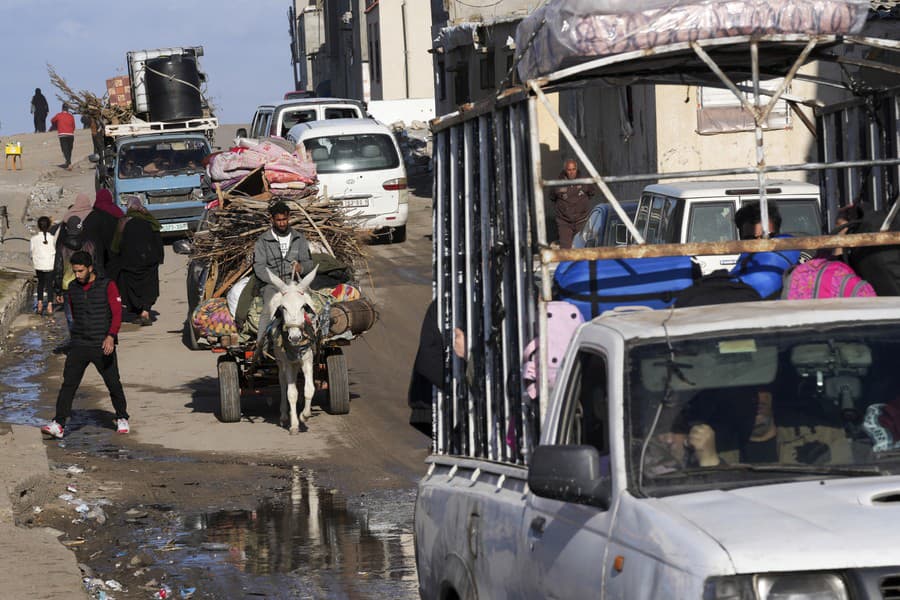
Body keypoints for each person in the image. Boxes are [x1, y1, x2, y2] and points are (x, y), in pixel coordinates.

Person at [41, 251, 129, 440]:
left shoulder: (108, 286)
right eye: (75, 272)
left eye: (81, 271)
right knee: (68, 385)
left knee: (112, 382)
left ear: (90, 268)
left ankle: (122, 416)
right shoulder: (72, 288)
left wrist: (111, 336)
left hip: (102, 344)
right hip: (79, 344)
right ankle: (59, 423)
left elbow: (116, 314)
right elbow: (72, 314)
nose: (78, 275)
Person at [253, 201, 314, 352]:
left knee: (312, 306)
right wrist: (277, 283)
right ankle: (261, 345)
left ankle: (316, 340)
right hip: (274, 286)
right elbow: (259, 267)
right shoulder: (263, 241)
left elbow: (308, 262)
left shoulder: (299, 238)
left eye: (284, 220)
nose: (282, 223)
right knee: (268, 309)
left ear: (289, 218)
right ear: (272, 220)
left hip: (295, 284)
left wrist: (301, 267)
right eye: (278, 220)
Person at [729, 201, 801, 298]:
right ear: (741, 239)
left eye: (767, 237)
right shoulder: (738, 271)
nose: (760, 244)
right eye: (750, 239)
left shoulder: (788, 257)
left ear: (778, 234)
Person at [112, 196, 163, 326]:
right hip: (149, 262)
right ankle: (145, 312)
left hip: (130, 263)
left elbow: (116, 245)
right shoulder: (149, 219)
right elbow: (158, 237)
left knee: (133, 288)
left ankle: (139, 312)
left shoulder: (123, 222)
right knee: (148, 286)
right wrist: (159, 258)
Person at [551, 159, 596, 249]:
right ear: (565, 170)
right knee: (566, 250)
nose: (571, 172)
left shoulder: (584, 181)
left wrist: (582, 204)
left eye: (573, 169)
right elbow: (552, 197)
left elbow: (592, 192)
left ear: (576, 169)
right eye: (569, 170)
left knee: (583, 248)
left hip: (581, 221)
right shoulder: (558, 183)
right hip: (564, 223)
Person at [30, 216, 57, 315]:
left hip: (39, 265)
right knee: (50, 285)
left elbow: (32, 253)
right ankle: (50, 305)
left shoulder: (34, 239)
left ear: (38, 226)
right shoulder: (53, 238)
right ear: (49, 226)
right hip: (50, 265)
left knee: (40, 284)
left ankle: (40, 304)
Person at [50, 103, 76, 170]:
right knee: (69, 149)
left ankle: (68, 162)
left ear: (62, 108)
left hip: (62, 135)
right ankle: (68, 162)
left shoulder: (58, 115)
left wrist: (55, 125)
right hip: (70, 135)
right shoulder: (71, 116)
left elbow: (52, 120)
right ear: (68, 109)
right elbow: (73, 126)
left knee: (64, 149)